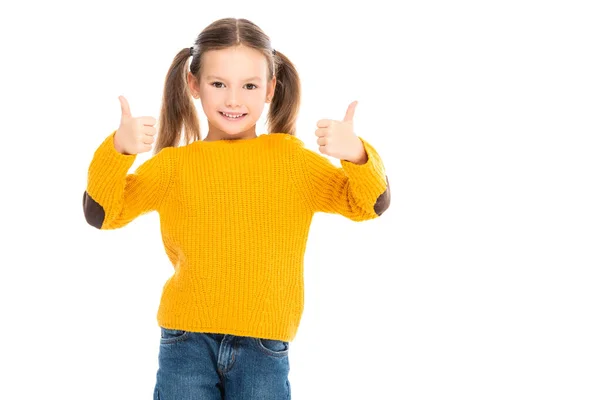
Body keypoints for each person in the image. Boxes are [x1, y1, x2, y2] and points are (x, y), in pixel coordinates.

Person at [82, 17, 391, 400]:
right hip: (186, 342)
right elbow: (101, 213)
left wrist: (357, 154)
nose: (233, 100)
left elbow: (370, 204)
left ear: (270, 89)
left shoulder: (291, 161)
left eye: (249, 85)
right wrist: (118, 150)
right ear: (193, 84)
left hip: (264, 346)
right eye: (218, 84)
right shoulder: (174, 166)